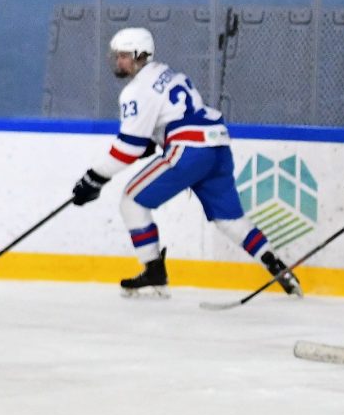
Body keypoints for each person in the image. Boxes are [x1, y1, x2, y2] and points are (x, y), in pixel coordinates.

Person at [67, 28, 296, 299]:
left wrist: (93, 178)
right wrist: (148, 145)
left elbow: (129, 147)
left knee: (132, 201)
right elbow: (159, 130)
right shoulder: (170, 74)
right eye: (117, 56)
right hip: (218, 145)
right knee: (229, 218)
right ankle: (276, 264)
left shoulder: (136, 91)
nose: (118, 62)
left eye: (124, 56)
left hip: (190, 150)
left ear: (141, 55)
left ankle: (154, 274)